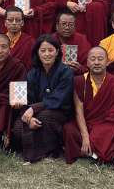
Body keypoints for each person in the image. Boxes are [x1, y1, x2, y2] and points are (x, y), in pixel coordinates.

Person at [10, 35, 75, 163]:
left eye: (50, 50)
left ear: (57, 52)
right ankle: (46, 148)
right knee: (18, 126)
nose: (47, 54)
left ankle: (44, 151)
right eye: (43, 50)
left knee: (44, 117)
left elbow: (57, 98)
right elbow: (24, 99)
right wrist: (28, 117)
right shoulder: (32, 73)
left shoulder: (66, 71)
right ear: (37, 53)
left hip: (59, 112)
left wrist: (33, 109)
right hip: (35, 112)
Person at [62, 46, 114, 164]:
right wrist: (85, 136)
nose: (96, 62)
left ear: (107, 62)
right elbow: (78, 111)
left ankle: (91, 151)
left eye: (100, 59)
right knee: (69, 129)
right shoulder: (79, 81)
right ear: (87, 62)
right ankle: (101, 151)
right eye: (93, 59)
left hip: (106, 125)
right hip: (87, 124)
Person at [52, 10, 92, 75]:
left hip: (75, 77)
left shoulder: (82, 40)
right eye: (63, 24)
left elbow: (89, 64)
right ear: (57, 26)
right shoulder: (50, 40)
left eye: (70, 24)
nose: (67, 28)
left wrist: (79, 69)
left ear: (75, 27)